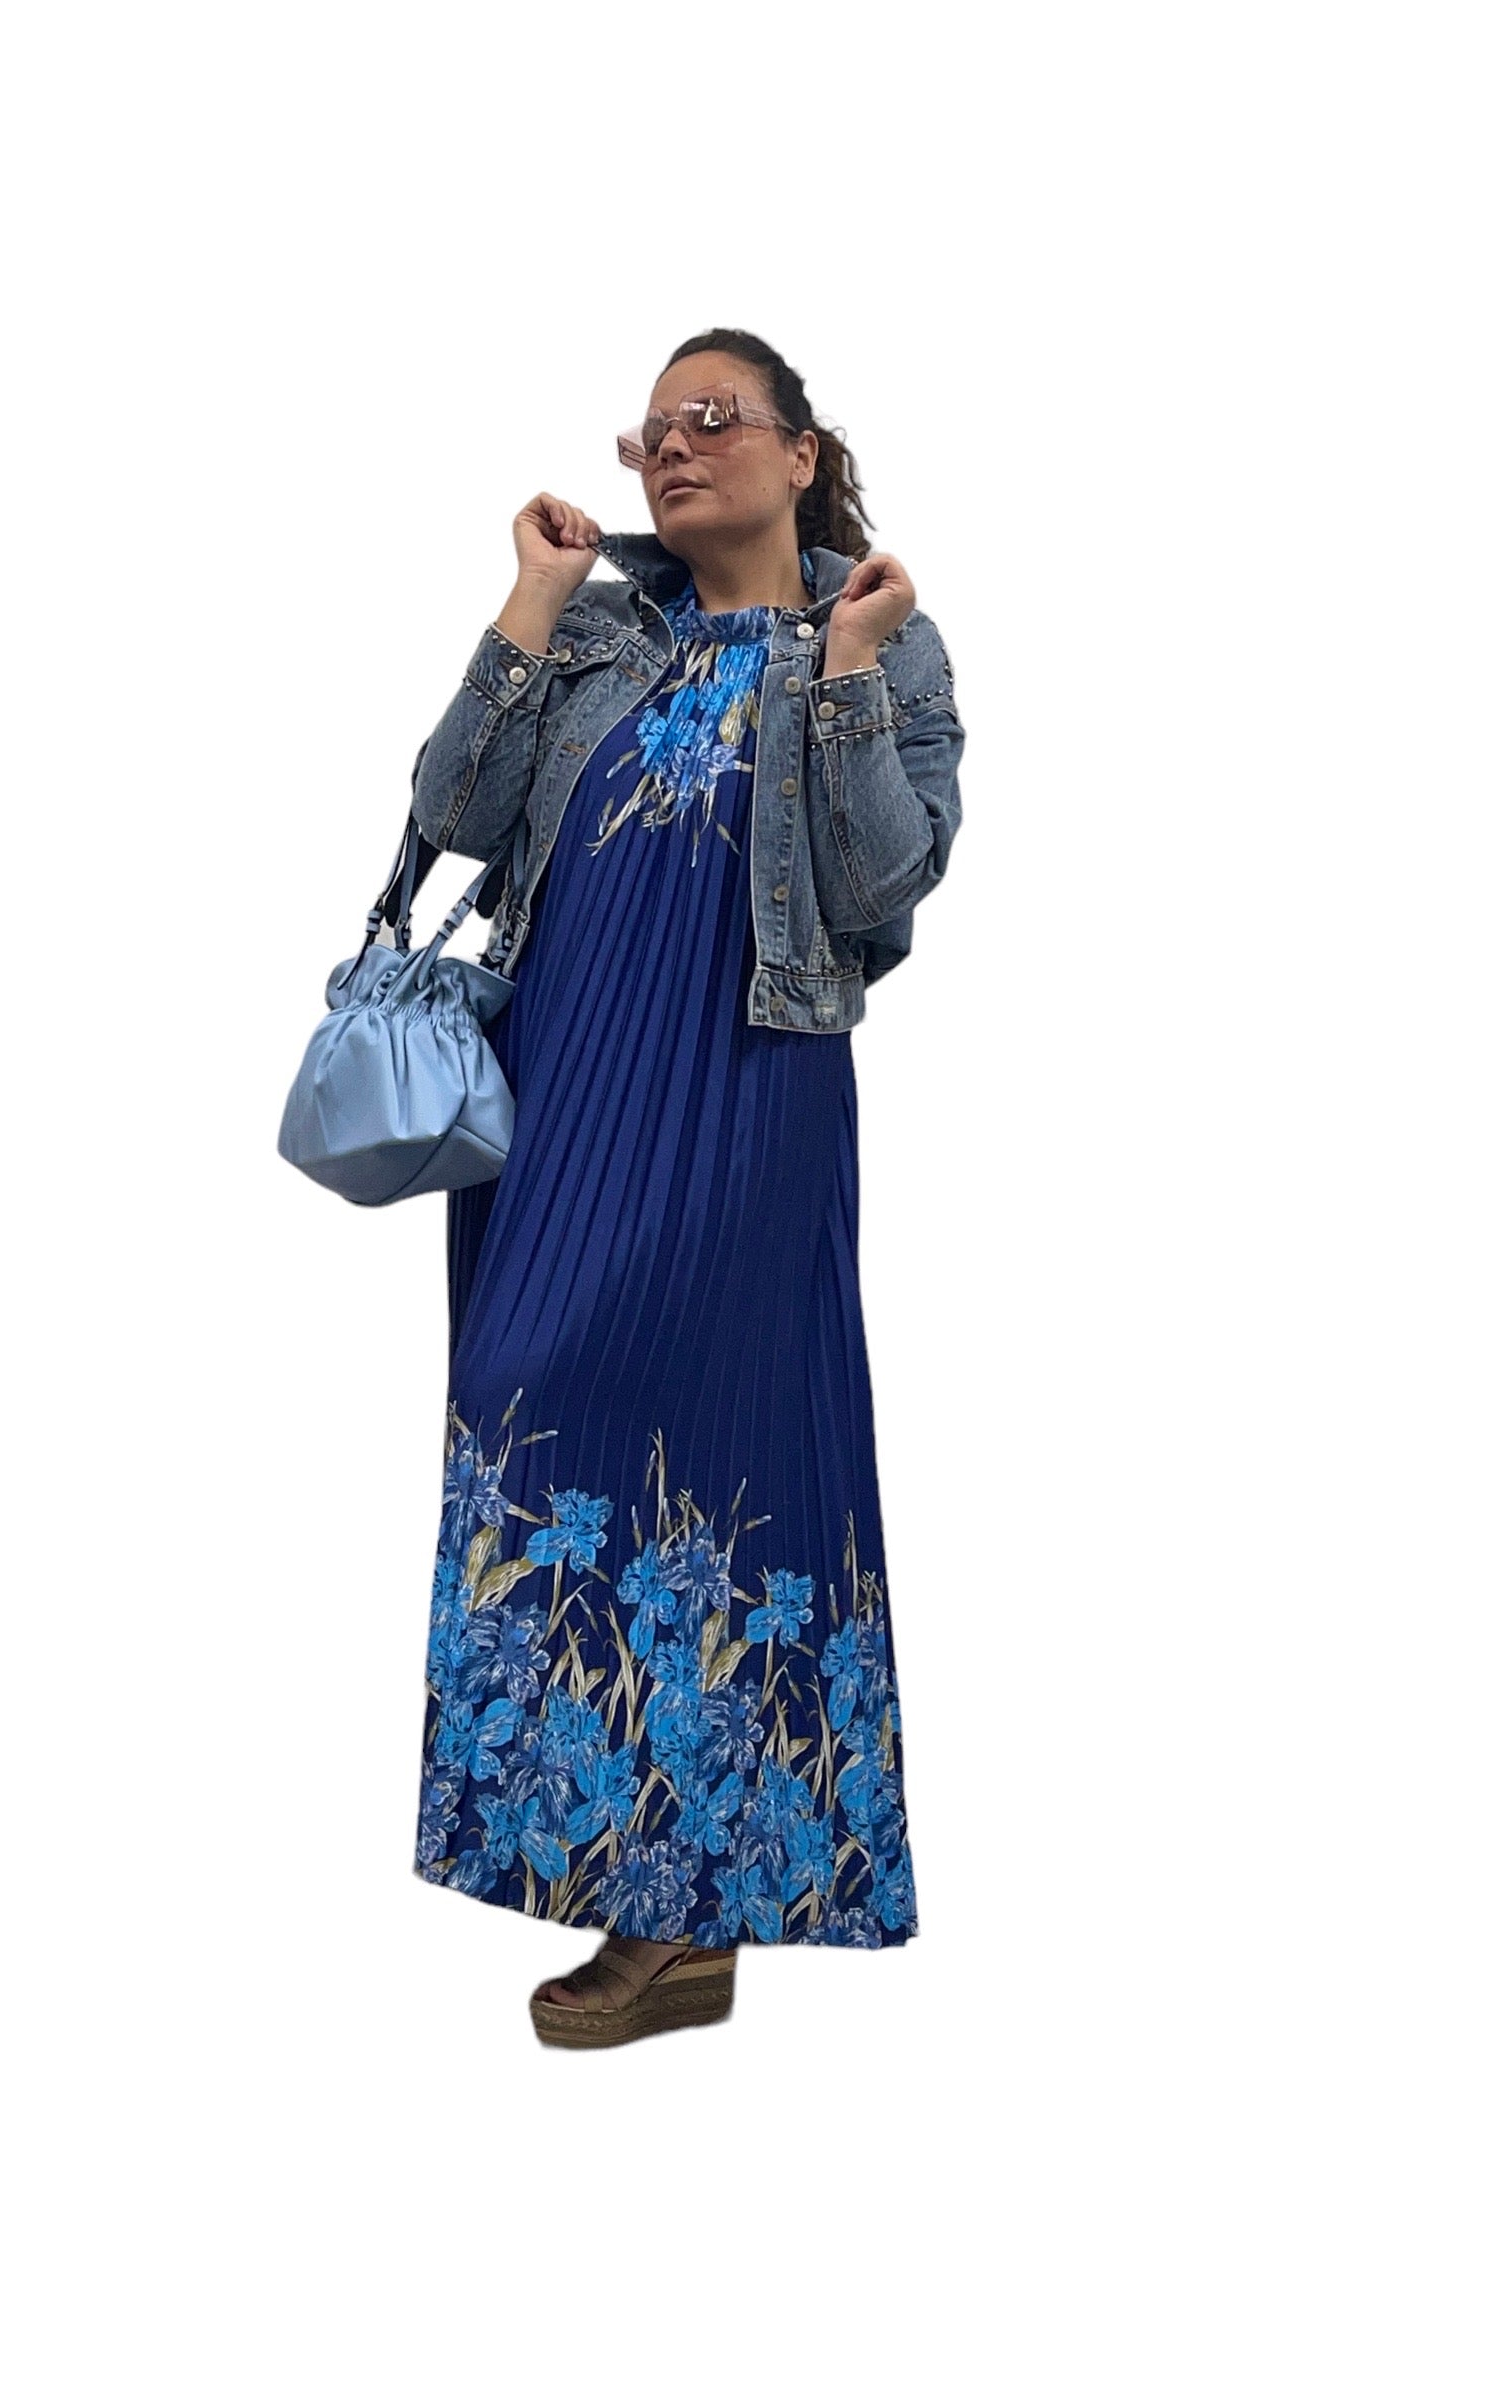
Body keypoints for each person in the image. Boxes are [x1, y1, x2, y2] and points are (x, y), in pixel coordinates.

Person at [407, 328, 965, 2048]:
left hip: (741, 1097)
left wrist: (847, 672)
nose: (676, 443)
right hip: (560, 1096)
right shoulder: (593, 630)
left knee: (718, 1464)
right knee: (527, 1419)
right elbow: (451, 809)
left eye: (715, 416)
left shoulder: (880, 636)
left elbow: (882, 888)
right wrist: (527, 602)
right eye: (654, 424)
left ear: (803, 454)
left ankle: (684, 1910)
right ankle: (659, 1898)